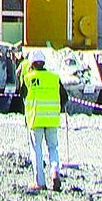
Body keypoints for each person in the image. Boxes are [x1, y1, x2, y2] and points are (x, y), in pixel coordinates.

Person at [21, 50, 68, 192]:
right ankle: (54, 171)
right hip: (52, 119)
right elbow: (64, 97)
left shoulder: (29, 78)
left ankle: (40, 182)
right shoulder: (54, 77)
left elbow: (22, 95)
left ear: (32, 64)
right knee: (53, 147)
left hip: (35, 119)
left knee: (37, 150)